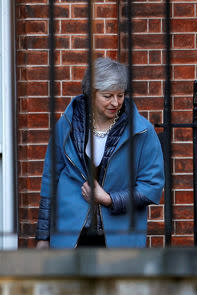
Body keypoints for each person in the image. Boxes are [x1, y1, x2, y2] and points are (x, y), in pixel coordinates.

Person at [35, 57, 164, 248]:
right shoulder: (67, 125)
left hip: (120, 238)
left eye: (120, 95)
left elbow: (152, 187)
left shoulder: (142, 131)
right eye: (107, 96)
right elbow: (50, 181)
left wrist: (109, 199)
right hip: (71, 236)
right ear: (91, 93)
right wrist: (43, 237)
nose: (115, 102)